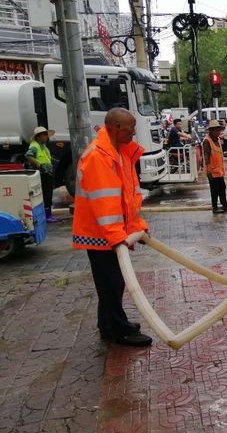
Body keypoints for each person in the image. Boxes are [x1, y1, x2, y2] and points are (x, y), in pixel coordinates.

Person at [72, 108, 152, 347]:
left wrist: (138, 226)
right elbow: (105, 204)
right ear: (116, 127)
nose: (134, 133)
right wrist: (117, 236)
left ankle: (108, 323)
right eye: (130, 128)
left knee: (111, 281)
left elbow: (128, 199)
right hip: (101, 235)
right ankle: (120, 328)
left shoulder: (120, 154)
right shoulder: (99, 156)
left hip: (111, 234)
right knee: (112, 282)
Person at [25, 127, 59, 223]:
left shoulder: (42, 146)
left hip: (47, 173)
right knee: (46, 194)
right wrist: (39, 165)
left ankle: (47, 215)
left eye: (46, 134)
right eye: (44, 135)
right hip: (42, 173)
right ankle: (47, 216)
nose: (46, 137)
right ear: (38, 136)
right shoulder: (35, 146)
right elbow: (28, 156)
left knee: (48, 194)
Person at [202, 120, 227, 214]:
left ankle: (225, 206)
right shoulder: (207, 141)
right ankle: (215, 207)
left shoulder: (217, 140)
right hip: (212, 171)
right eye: (217, 130)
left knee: (222, 188)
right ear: (212, 131)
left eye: (219, 130)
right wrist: (209, 172)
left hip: (219, 171)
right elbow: (206, 157)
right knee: (214, 190)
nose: (219, 132)